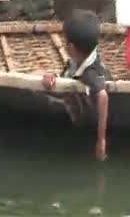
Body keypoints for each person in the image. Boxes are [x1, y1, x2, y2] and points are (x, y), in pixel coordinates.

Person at [42, 10, 110, 161]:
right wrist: (55, 76)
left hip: (85, 116)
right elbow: (68, 70)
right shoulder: (81, 56)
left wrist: (101, 140)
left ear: (71, 48)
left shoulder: (90, 73)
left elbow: (103, 95)